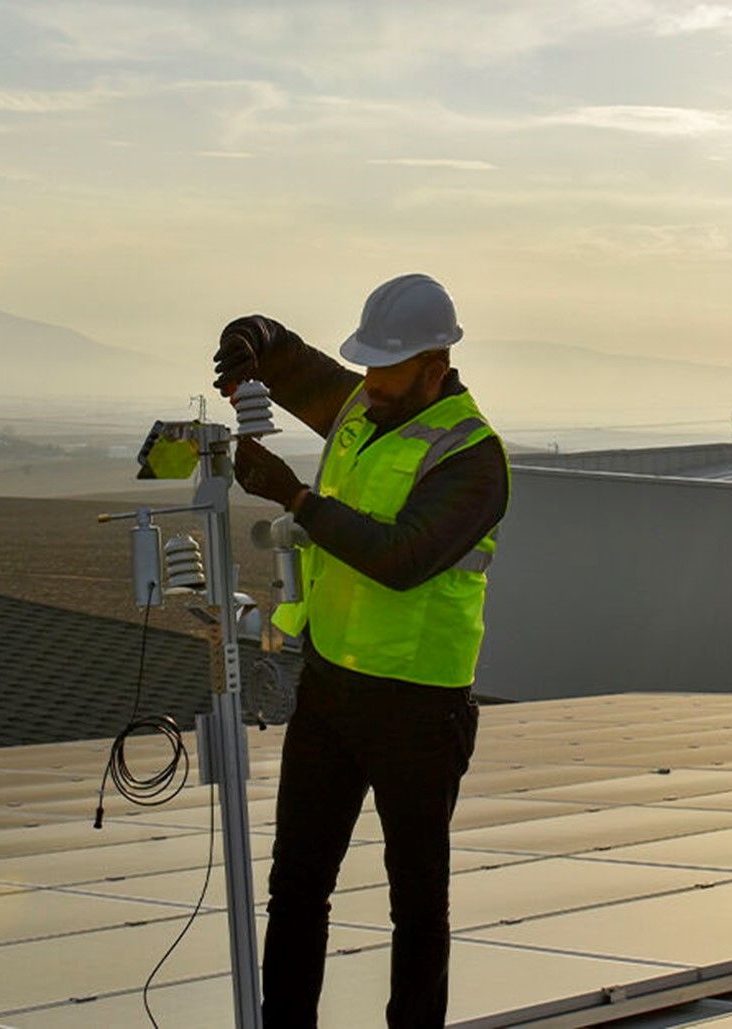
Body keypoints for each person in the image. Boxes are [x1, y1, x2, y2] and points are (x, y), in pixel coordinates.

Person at [212, 273, 509, 1027]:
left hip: (418, 704)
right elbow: (286, 357)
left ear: (434, 369)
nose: (369, 383)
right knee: (298, 884)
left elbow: (404, 558)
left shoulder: (472, 456)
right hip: (331, 686)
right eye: (367, 366)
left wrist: (298, 498)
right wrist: (249, 341)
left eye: (386, 369)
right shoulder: (360, 404)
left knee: (415, 901)